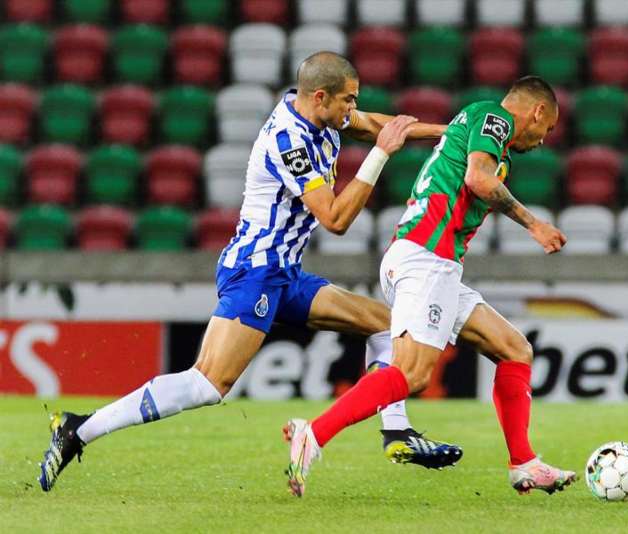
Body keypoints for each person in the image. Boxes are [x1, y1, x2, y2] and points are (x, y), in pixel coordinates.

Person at [37, 52, 463, 492]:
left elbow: (380, 125)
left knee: (386, 326)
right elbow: (335, 219)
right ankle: (77, 429)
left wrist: (453, 134)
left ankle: (396, 432)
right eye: (348, 101)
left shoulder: (323, 116)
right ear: (321, 97)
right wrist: (378, 156)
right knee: (207, 383)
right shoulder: (288, 141)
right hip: (254, 271)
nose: (353, 109)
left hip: (286, 275)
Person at [285, 76, 577, 497]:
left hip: (428, 261)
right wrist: (535, 224)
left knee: (514, 349)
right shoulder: (494, 119)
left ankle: (523, 462)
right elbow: (479, 179)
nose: (544, 140)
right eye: (547, 129)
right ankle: (313, 434)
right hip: (427, 258)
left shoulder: (477, 123)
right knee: (413, 373)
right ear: (538, 112)